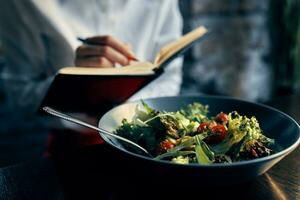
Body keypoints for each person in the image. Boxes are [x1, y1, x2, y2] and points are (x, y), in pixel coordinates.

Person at [0, 0, 183, 119]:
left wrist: (124, 105)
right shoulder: (23, 4)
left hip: (145, 136)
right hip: (69, 149)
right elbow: (18, 95)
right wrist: (77, 84)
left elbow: (170, 78)